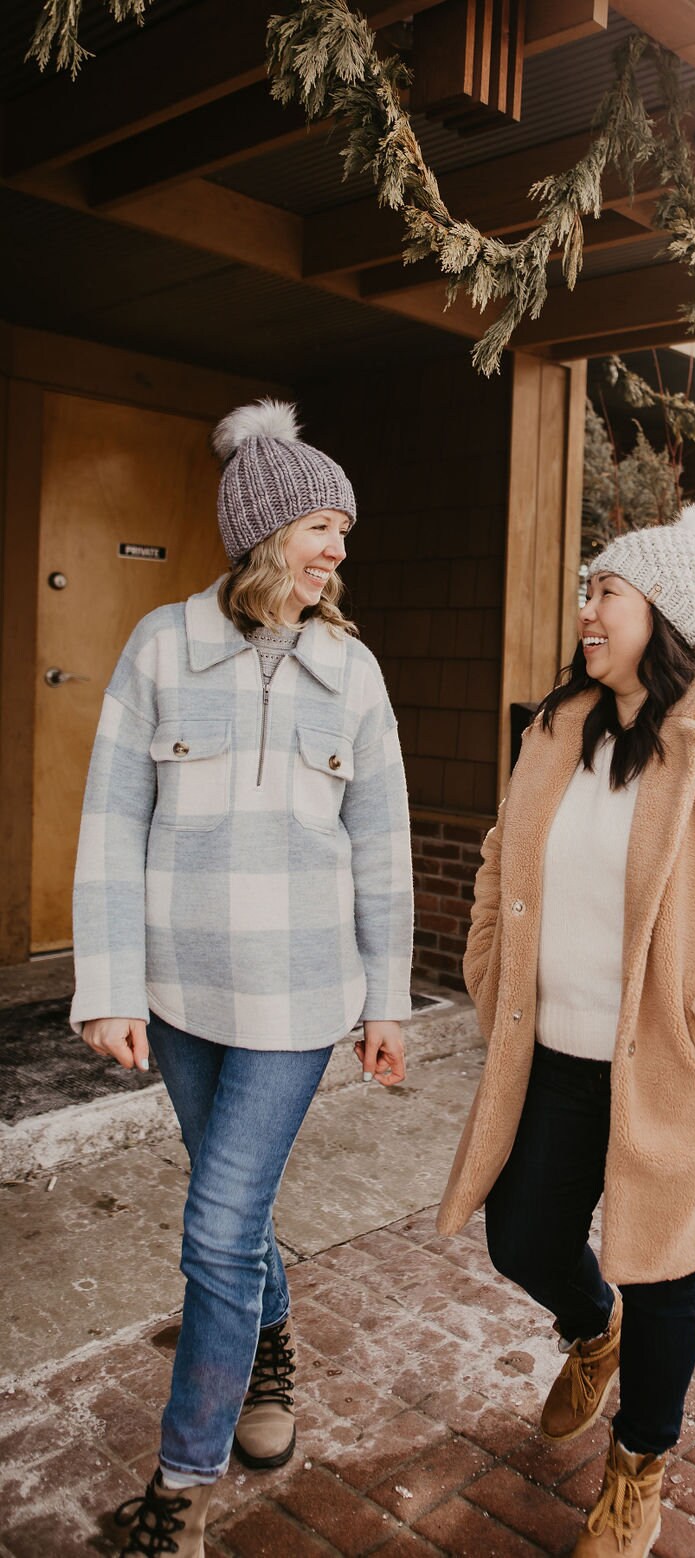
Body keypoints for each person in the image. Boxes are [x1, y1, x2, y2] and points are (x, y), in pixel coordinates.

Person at [437, 500, 695, 1557]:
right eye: (588, 591)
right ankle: (588, 1325)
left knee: (662, 1267)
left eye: (605, 591)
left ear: (662, 613)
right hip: (556, 1050)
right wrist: (489, 970)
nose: (587, 610)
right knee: (521, 1235)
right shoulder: (558, 727)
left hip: (670, 1060)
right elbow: (496, 859)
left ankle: (638, 1465)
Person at [70, 400, 413, 1557]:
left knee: (215, 1230)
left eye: (344, 534)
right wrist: (111, 985)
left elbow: (383, 847)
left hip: (294, 1004)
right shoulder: (161, 646)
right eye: (324, 525)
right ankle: (267, 1353)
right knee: (240, 1209)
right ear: (266, 530)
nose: (338, 550)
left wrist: (387, 1000)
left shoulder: (351, 671)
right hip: (177, 998)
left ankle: (180, 1484)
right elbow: (112, 822)